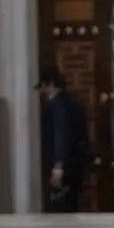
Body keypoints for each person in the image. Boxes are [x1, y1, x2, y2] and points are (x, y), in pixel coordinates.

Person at [36, 65, 91, 213]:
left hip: (63, 168)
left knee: (60, 210)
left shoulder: (57, 106)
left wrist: (58, 166)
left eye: (43, 87)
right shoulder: (74, 103)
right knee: (71, 206)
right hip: (76, 166)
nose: (41, 92)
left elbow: (60, 134)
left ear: (51, 84)